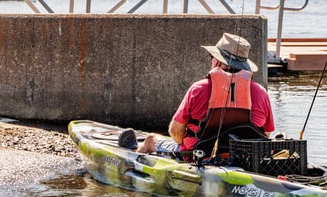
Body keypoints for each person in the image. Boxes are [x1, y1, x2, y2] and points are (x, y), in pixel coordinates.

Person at [118, 32, 275, 155]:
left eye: (212, 57)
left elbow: (174, 131)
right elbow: (266, 132)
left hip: (197, 154)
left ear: (218, 62)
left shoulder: (198, 89)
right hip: (242, 156)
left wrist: (184, 145)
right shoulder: (261, 92)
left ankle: (135, 154)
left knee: (151, 139)